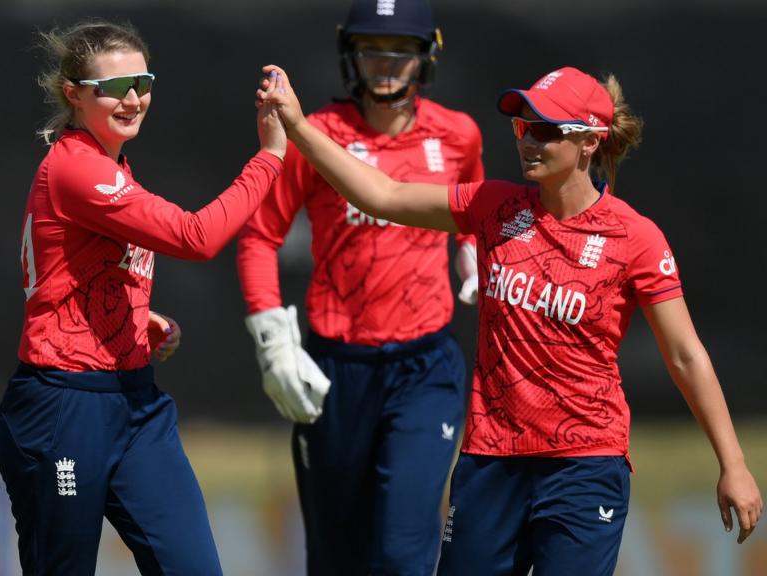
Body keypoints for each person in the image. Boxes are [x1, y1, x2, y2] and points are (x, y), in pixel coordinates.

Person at [256, 64, 763, 574]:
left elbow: (684, 354)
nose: (528, 141)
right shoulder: (493, 206)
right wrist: (299, 127)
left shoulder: (636, 238)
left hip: (584, 465)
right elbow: (382, 195)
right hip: (491, 459)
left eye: (546, 130)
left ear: (590, 141)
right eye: (523, 127)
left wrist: (733, 464)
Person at [0, 18, 286, 576]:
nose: (132, 99)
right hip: (63, 405)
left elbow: (74, 268)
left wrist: (136, 316)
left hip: (135, 402)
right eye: (112, 88)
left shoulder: (112, 160)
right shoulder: (78, 167)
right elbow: (195, 237)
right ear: (75, 95)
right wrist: (270, 156)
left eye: (142, 83)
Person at [236, 1, 482, 574]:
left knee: (402, 552)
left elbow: (473, 213)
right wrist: (274, 342)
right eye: (372, 49)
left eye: (402, 51)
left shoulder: (458, 134)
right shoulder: (316, 135)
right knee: (336, 557)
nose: (386, 65)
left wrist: (472, 255)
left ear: (427, 56)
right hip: (337, 369)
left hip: (425, 366)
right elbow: (259, 237)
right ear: (351, 55)